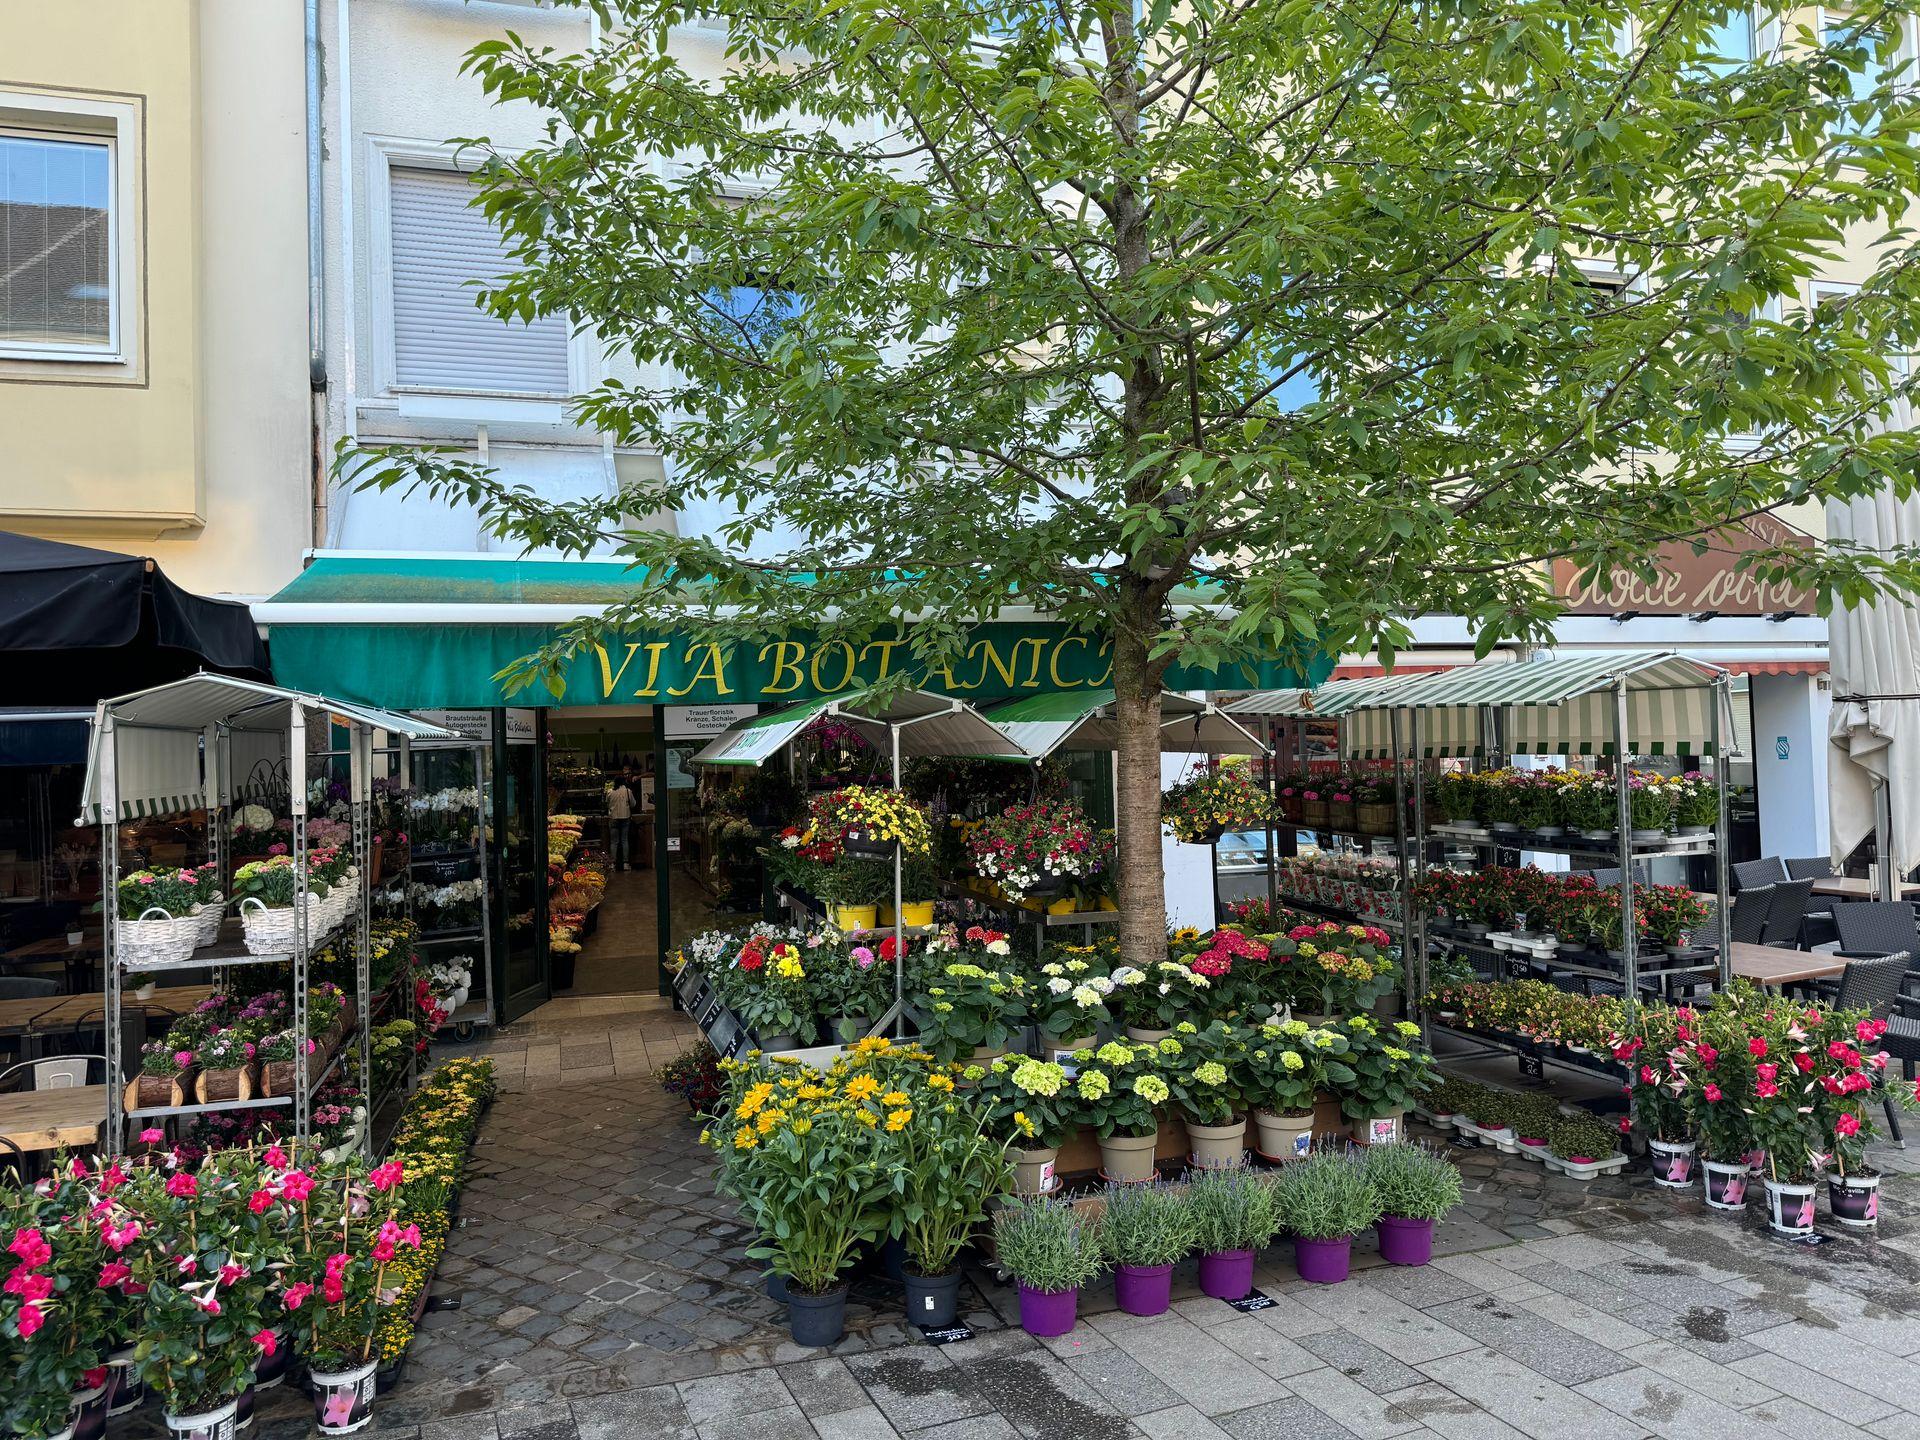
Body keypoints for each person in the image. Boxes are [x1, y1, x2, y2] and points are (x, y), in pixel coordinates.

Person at [607, 773, 637, 871]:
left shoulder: (610, 792)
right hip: (625, 818)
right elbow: (633, 804)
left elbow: (607, 803)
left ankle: (612, 864)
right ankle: (625, 863)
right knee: (624, 840)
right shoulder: (628, 791)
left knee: (614, 842)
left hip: (613, 818)